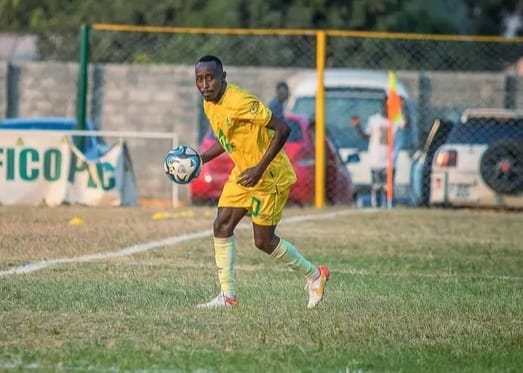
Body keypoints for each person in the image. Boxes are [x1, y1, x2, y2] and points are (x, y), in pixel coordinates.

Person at [194, 55, 329, 309]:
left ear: (223, 77)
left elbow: (283, 129)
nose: (205, 84)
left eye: (210, 78)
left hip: (270, 175)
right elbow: (227, 138)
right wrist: (202, 158)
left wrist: (259, 168)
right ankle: (228, 296)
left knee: (263, 241)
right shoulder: (209, 104)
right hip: (244, 173)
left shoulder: (241, 101)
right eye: (199, 79)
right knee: (222, 225)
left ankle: (314, 275)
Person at [351, 96, 407, 207]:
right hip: (376, 160)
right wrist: (358, 127)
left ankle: (389, 206)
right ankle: (376, 206)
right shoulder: (374, 120)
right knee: (376, 187)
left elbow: (406, 123)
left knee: (388, 188)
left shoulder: (396, 120)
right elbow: (366, 135)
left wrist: (402, 107)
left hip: (390, 161)